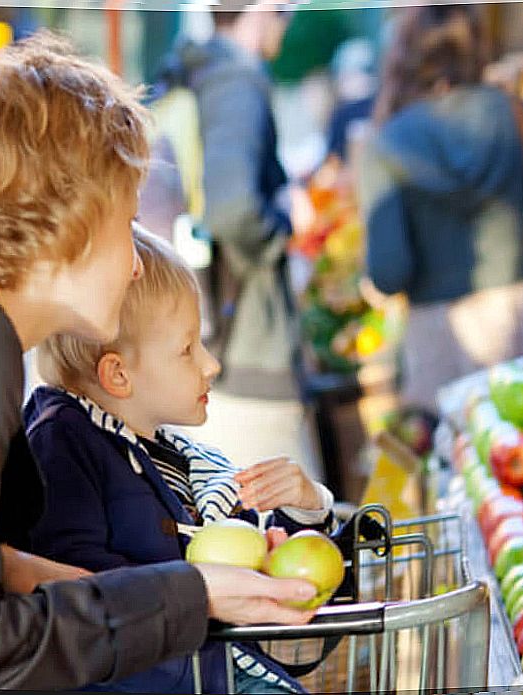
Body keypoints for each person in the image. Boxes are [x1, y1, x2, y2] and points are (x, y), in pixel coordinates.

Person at [0, 32, 317, 689]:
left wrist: (41, 571)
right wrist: (190, 595)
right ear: (71, 217)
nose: (132, 262)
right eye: (126, 220)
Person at [26, 230, 336, 693]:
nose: (211, 364)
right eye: (188, 348)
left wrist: (303, 510)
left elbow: (254, 556)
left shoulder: (171, 454)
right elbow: (85, 601)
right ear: (118, 374)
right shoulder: (62, 445)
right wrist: (198, 592)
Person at [149, 7, 322, 478]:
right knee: (293, 529)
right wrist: (285, 219)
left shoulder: (195, 72)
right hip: (248, 353)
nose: (286, 20)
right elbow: (233, 209)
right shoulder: (236, 81)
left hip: (215, 342)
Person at [358, 5, 523, 409]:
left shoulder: (386, 141)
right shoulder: (508, 110)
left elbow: (389, 271)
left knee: (461, 461)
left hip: (440, 338)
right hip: (521, 315)